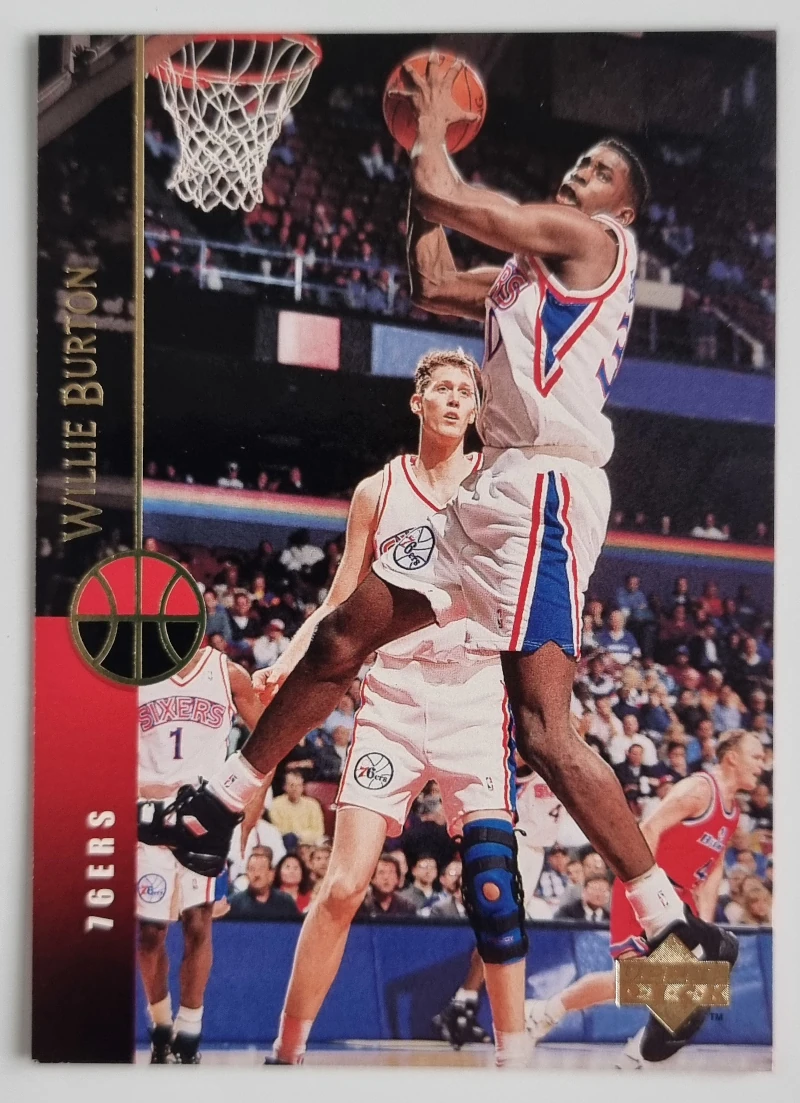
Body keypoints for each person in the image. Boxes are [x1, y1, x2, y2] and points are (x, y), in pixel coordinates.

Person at [145, 60, 730, 1056]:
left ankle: (677, 942)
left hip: (545, 492)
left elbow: (451, 199)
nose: (579, 174)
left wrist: (427, 127)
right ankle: (221, 801)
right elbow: (428, 275)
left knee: (545, 737)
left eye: (598, 169)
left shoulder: (594, 242)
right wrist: (416, 170)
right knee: (345, 633)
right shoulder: (519, 282)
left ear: (622, 207)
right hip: (492, 499)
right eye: (578, 164)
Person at [250, 350, 529, 1068]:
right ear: (417, 402)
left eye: (467, 392)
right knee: (343, 886)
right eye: (444, 389)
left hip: (474, 694)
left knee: (493, 885)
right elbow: (342, 597)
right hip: (394, 697)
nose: (457, 399)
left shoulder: (498, 480)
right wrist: (290, 658)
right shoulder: (378, 490)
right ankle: (286, 1051)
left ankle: (517, 1060)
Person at [525, 730, 764, 1065]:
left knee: (680, 990)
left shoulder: (733, 811)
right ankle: (549, 1012)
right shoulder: (699, 790)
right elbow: (648, 829)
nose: (762, 764)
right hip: (648, 885)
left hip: (681, 898)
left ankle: (631, 1056)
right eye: (756, 756)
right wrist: (648, 893)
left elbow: (714, 868)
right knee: (636, 980)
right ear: (732, 758)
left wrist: (704, 925)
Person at [136, 646, 265, 1063]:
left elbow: (270, 740)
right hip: (147, 814)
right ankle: (160, 1025)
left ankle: (189, 1031)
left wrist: (251, 808)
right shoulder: (135, 670)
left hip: (205, 816)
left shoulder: (228, 673)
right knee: (150, 933)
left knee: (198, 922)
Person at [433, 766, 563, 1048]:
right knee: (501, 928)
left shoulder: (561, 767)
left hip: (535, 852)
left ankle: (464, 1004)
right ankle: (464, 1005)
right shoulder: (525, 766)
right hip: (517, 844)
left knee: (501, 932)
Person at [226, 850, 301, 920]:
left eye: (261, 869)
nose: (256, 874)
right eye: (252, 869)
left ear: (271, 874)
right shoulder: (233, 903)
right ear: (247, 874)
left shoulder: (285, 902)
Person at [268, 771, 326, 846]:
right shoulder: (275, 804)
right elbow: (279, 830)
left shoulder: (313, 804)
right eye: (292, 785)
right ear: (285, 787)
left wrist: (300, 836)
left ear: (303, 787)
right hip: (287, 843)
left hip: (310, 843)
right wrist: (297, 837)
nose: (295, 789)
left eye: (298, 785)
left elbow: (319, 831)